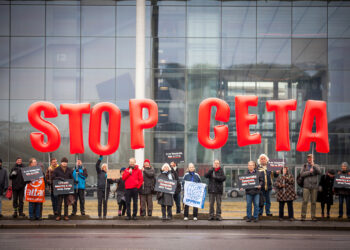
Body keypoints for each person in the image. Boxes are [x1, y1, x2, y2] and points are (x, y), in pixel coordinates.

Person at [300, 154, 321, 221]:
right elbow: (301, 174)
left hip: (314, 186)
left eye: (311, 158)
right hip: (306, 186)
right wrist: (309, 172)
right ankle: (303, 216)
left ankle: (313, 216)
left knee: (313, 202)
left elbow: (319, 172)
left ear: (313, 158)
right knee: (305, 201)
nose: (309, 159)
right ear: (307, 159)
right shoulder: (304, 166)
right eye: (308, 158)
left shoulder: (316, 165)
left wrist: (313, 166)